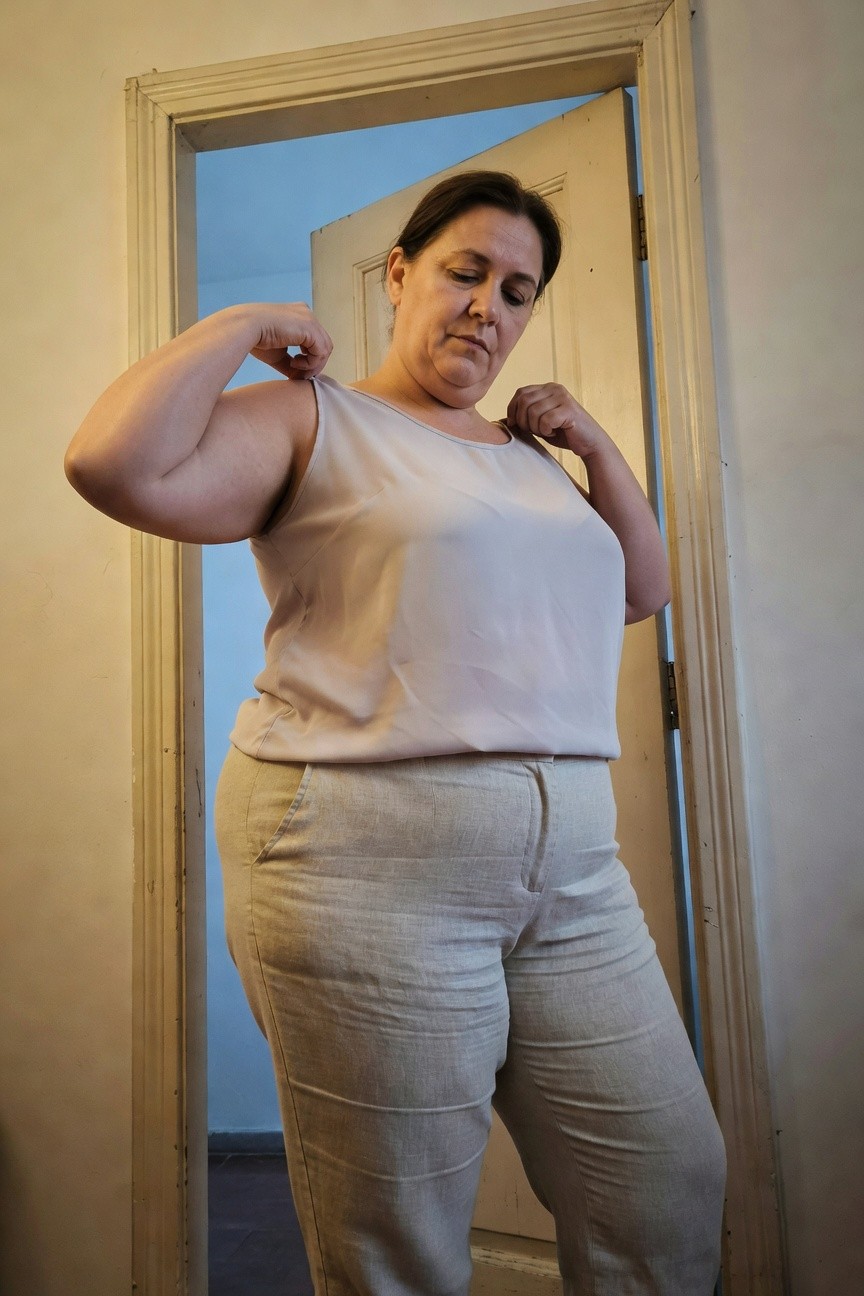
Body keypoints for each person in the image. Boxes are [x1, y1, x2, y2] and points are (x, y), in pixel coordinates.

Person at [66, 170, 726, 1295]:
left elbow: (640, 587)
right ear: (401, 274)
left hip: (572, 874)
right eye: (466, 272)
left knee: (668, 1185)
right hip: (360, 865)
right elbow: (112, 464)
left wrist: (595, 446)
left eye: (518, 290)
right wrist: (240, 324)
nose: (489, 307)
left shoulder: (527, 459)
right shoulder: (314, 417)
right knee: (400, 1247)